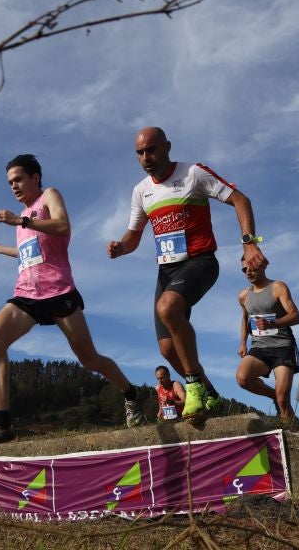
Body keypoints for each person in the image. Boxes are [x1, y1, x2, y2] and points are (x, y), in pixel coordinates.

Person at [0, 154, 148, 451]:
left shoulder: (48, 196)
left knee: (89, 359)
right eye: (10, 182)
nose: (13, 186)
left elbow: (63, 227)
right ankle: (1, 424)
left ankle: (130, 393)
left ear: (35, 177)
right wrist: (1, 248)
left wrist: (21, 219)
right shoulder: (22, 220)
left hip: (59, 292)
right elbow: (30, 251)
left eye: (18, 179)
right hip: (26, 294)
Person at [107, 126, 266, 421]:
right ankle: (211, 394)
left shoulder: (193, 173)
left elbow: (241, 200)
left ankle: (192, 387)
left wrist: (249, 244)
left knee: (168, 308)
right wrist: (120, 247)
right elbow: (133, 237)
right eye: (140, 153)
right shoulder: (141, 192)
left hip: (200, 262)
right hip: (167, 271)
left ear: (167, 147)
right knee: (168, 349)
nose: (146, 157)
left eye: (151, 150)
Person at [235, 254, 299, 425]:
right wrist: (243, 342)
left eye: (252, 267)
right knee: (242, 378)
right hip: (259, 347)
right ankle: (273, 394)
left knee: (282, 401)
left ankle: (292, 433)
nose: (248, 272)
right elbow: (244, 319)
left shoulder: (277, 287)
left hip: (283, 346)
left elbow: (296, 316)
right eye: (244, 269)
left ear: (263, 265)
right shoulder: (243, 296)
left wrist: (272, 323)